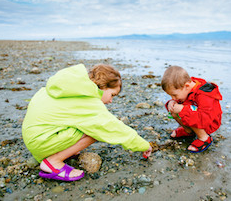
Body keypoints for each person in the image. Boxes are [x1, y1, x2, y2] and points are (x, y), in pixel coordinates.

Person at [22, 64, 152, 181]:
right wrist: (143, 145)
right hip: (41, 142)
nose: (111, 101)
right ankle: (53, 162)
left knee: (88, 124)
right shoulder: (86, 100)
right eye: (112, 95)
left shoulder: (69, 87)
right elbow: (112, 127)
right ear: (103, 87)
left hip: (35, 137)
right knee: (96, 130)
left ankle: (62, 151)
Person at [161, 66, 222, 153]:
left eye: (174, 95)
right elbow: (181, 102)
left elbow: (203, 119)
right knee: (174, 110)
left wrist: (183, 110)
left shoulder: (204, 95)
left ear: (187, 86)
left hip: (209, 122)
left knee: (185, 111)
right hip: (197, 116)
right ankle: (188, 131)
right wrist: (172, 102)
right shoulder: (186, 88)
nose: (173, 97)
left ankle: (204, 138)